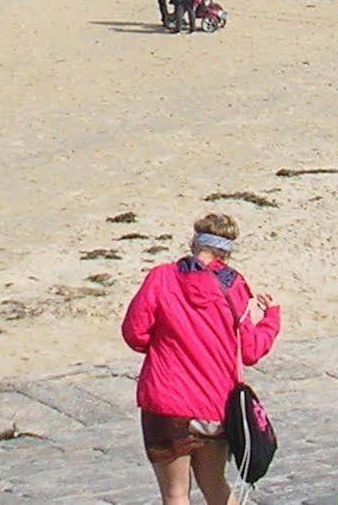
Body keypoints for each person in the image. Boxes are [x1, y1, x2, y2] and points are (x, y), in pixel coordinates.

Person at [121, 212, 280, 505]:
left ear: (194, 243)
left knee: (175, 494)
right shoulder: (235, 286)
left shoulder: (161, 277)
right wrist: (271, 319)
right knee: (216, 487)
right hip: (214, 405)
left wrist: (167, 344)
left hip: (167, 402)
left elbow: (135, 334)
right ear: (228, 251)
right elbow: (251, 351)